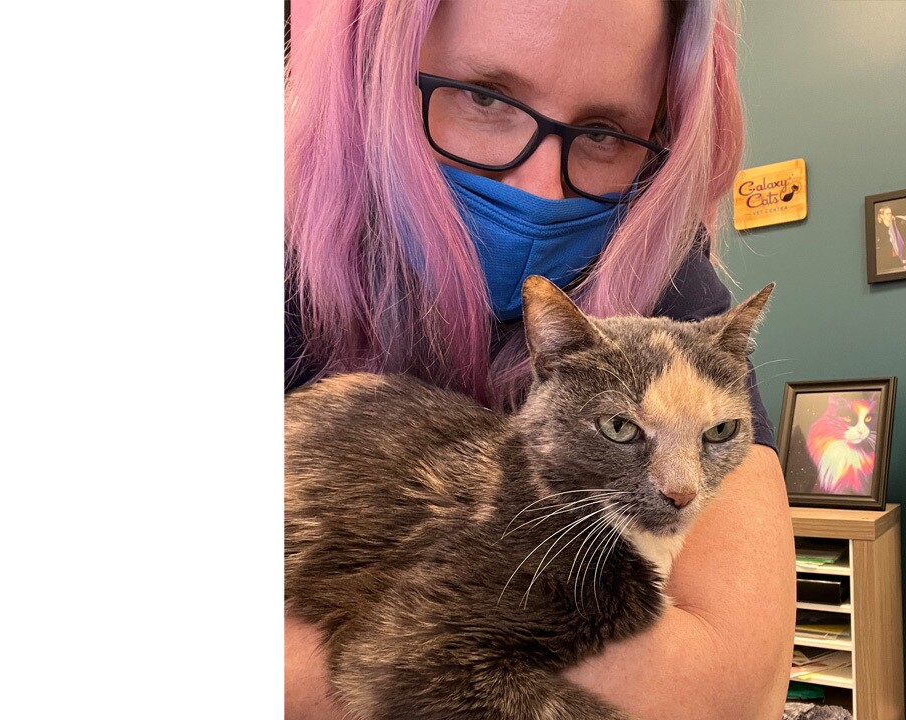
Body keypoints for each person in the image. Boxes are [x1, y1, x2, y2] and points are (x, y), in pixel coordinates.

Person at [284, 1, 797, 718]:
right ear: (371, 74)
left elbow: (732, 685)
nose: (541, 191)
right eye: (485, 96)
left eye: (604, 132)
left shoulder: (670, 288)